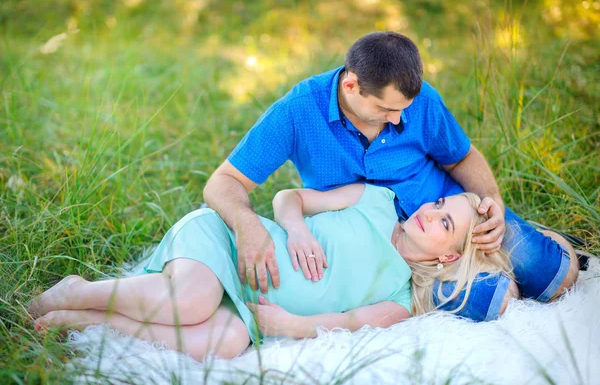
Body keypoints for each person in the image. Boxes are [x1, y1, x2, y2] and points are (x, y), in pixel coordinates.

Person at [202, 31, 579, 321]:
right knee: (496, 300)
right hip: (389, 248)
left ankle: (537, 237)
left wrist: (492, 202)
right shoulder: (297, 111)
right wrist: (245, 222)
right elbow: (223, 182)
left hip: (448, 218)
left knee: (555, 278)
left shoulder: (421, 101)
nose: (398, 119)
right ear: (350, 85)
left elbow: (463, 158)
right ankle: (492, 269)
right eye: (386, 109)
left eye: (403, 109)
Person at [29, 184, 517, 361]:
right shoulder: (375, 201)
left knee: (224, 343)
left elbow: (348, 324)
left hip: (246, 298)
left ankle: (93, 321)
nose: (429, 213)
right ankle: (81, 291)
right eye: (437, 203)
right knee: (193, 301)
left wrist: (291, 327)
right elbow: (290, 197)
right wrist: (296, 228)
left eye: (444, 222)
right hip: (232, 241)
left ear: (449, 257)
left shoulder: (400, 299)